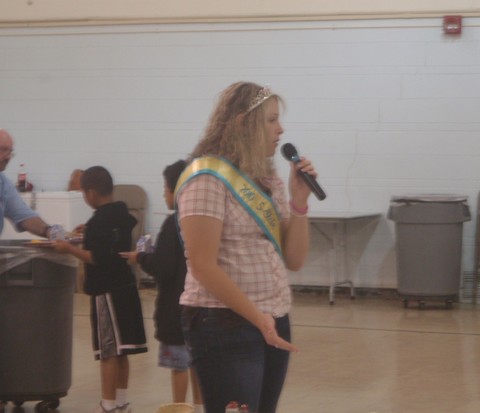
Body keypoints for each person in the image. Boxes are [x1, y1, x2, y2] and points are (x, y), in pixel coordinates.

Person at [176, 82, 317, 412]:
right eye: (270, 120)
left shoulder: (267, 178)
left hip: (273, 317)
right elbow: (202, 265)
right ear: (242, 123)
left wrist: (299, 202)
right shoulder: (206, 178)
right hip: (223, 323)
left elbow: (295, 259)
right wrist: (258, 318)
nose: (280, 130)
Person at [52, 166, 148, 413]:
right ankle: (121, 402)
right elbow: (110, 244)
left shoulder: (98, 222)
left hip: (107, 292)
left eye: (84, 192)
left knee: (107, 352)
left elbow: (97, 257)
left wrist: (69, 248)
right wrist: (90, 233)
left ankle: (107, 405)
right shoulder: (120, 214)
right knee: (122, 349)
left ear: (92, 193)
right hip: (126, 287)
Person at [120, 160, 203, 412]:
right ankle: (200, 408)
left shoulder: (173, 223)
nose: (163, 193)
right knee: (197, 363)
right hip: (202, 306)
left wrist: (141, 258)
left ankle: (179, 408)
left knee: (179, 366)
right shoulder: (201, 218)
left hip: (177, 309)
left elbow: (164, 267)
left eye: (165, 188)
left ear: (176, 190)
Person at [0, 129, 54, 238]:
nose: (8, 157)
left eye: (10, 152)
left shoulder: (4, 184)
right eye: (4, 150)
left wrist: (51, 232)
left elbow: (25, 217)